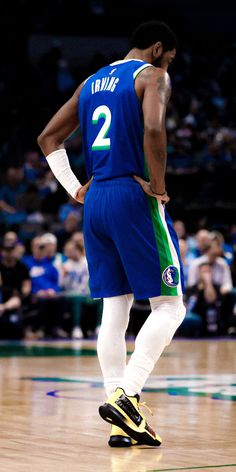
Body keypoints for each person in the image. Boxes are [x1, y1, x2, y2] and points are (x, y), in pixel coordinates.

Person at [38, 20, 186, 447]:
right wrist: (158, 189)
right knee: (170, 305)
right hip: (130, 193)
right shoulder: (153, 76)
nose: (169, 65)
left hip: (97, 198)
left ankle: (121, 417)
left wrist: (75, 189)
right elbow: (155, 130)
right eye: (170, 58)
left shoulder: (90, 82)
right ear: (158, 49)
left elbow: (48, 138)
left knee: (114, 307)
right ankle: (131, 392)